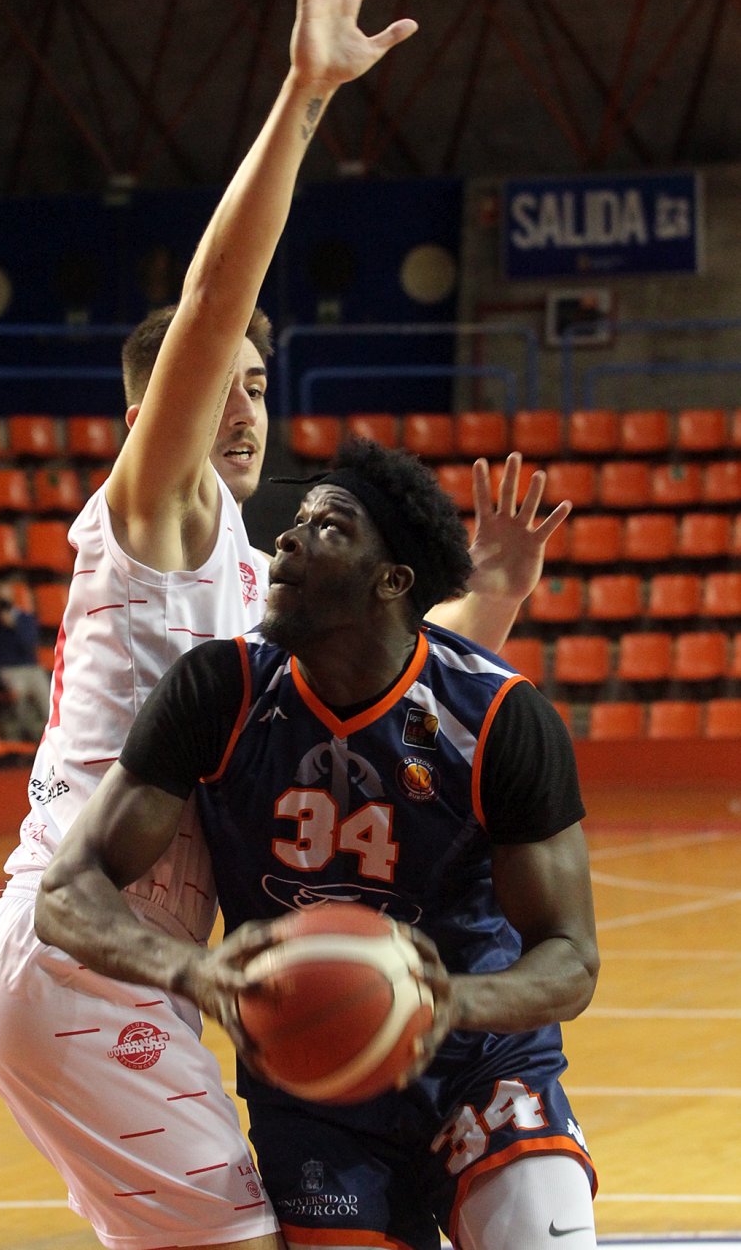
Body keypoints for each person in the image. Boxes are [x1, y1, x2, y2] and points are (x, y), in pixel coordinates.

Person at [0, 0, 570, 1250]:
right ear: (152, 413)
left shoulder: (246, 575)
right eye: (209, 382)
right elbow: (214, 293)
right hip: (76, 954)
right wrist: (303, 97)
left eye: (255, 383)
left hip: (116, 968)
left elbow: (367, 677)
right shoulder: (149, 516)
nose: (239, 401)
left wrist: (495, 603)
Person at [35, 436, 600, 1250]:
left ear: (393, 581)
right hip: (311, 1079)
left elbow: (570, 960)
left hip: (483, 1063)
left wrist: (444, 1005)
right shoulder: (216, 689)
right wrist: (192, 970)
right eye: (294, 522)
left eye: (329, 526)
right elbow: (64, 892)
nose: (291, 538)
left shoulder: (500, 717)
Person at [0, 581, 51, 740]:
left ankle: (53, 732)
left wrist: (14, 625)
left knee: (46, 694)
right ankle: (30, 734)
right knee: (18, 692)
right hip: (7, 669)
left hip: (31, 668)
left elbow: (30, 644)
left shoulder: (25, 618)